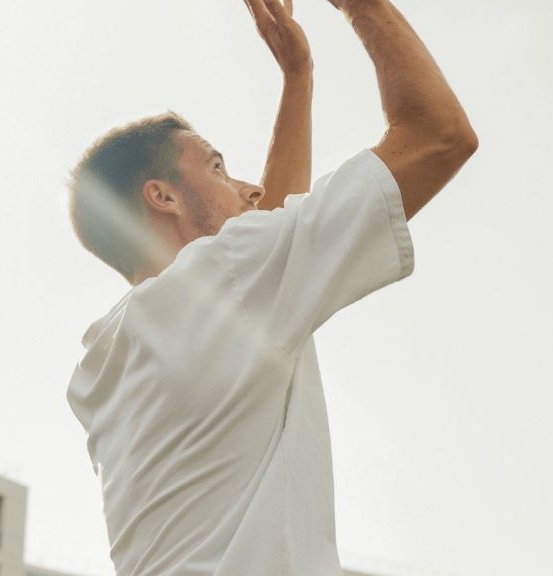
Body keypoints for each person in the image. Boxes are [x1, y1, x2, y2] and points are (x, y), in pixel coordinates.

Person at [65, 0, 477, 574]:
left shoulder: (103, 358)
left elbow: (262, 247)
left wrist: (297, 81)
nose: (252, 189)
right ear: (163, 196)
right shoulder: (225, 279)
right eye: (217, 169)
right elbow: (439, 135)